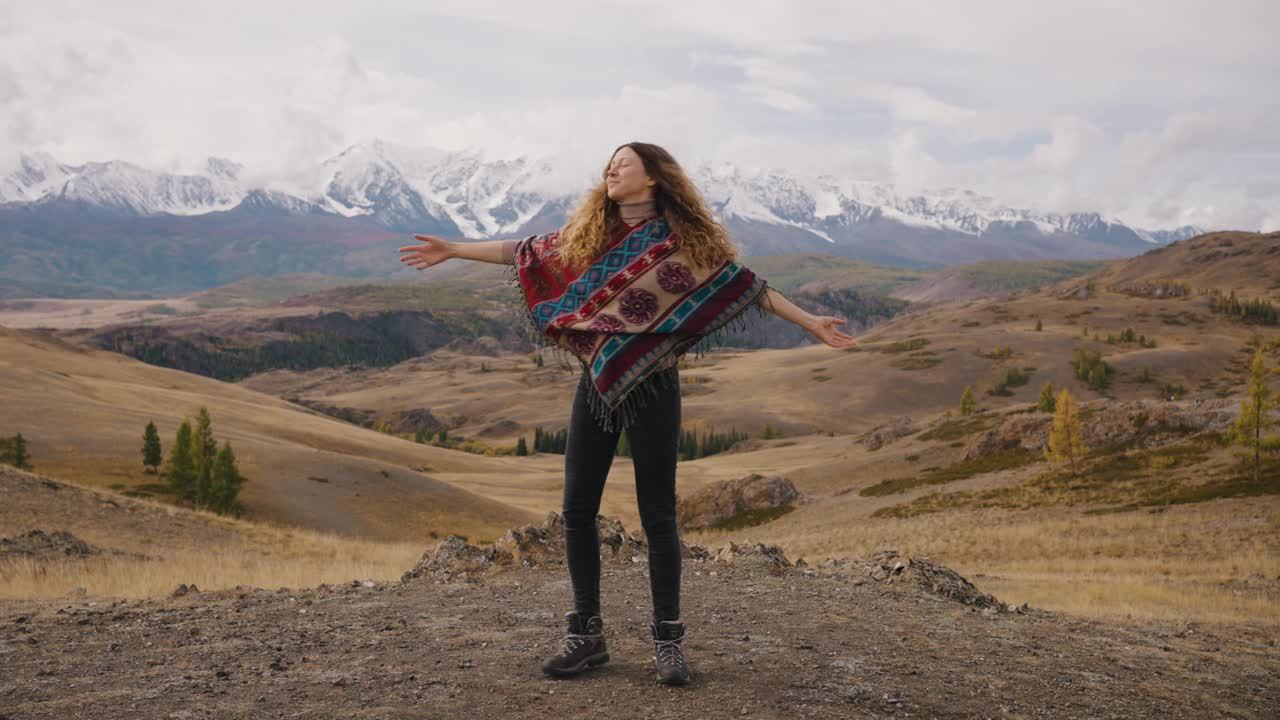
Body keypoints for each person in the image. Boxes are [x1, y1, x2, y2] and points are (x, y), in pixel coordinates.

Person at [398, 142, 856, 686]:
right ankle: (586, 636)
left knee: (658, 515)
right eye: (609, 165)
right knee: (577, 510)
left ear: (654, 178)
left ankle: (668, 643)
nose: (611, 170)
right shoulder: (589, 236)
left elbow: (747, 286)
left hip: (654, 384)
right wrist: (453, 248)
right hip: (595, 382)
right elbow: (522, 250)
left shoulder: (683, 244)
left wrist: (811, 323)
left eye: (623, 163)